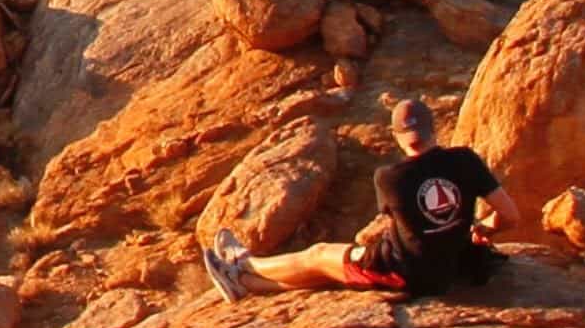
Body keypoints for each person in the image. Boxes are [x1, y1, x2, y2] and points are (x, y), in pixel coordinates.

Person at [201, 98, 505, 301]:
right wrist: (483, 228)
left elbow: (400, 230)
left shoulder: (391, 177)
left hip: (405, 273)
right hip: (450, 265)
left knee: (319, 255)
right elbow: (511, 215)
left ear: (396, 135)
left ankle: (244, 263)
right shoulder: (465, 160)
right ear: (433, 129)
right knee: (328, 271)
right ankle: (247, 284)